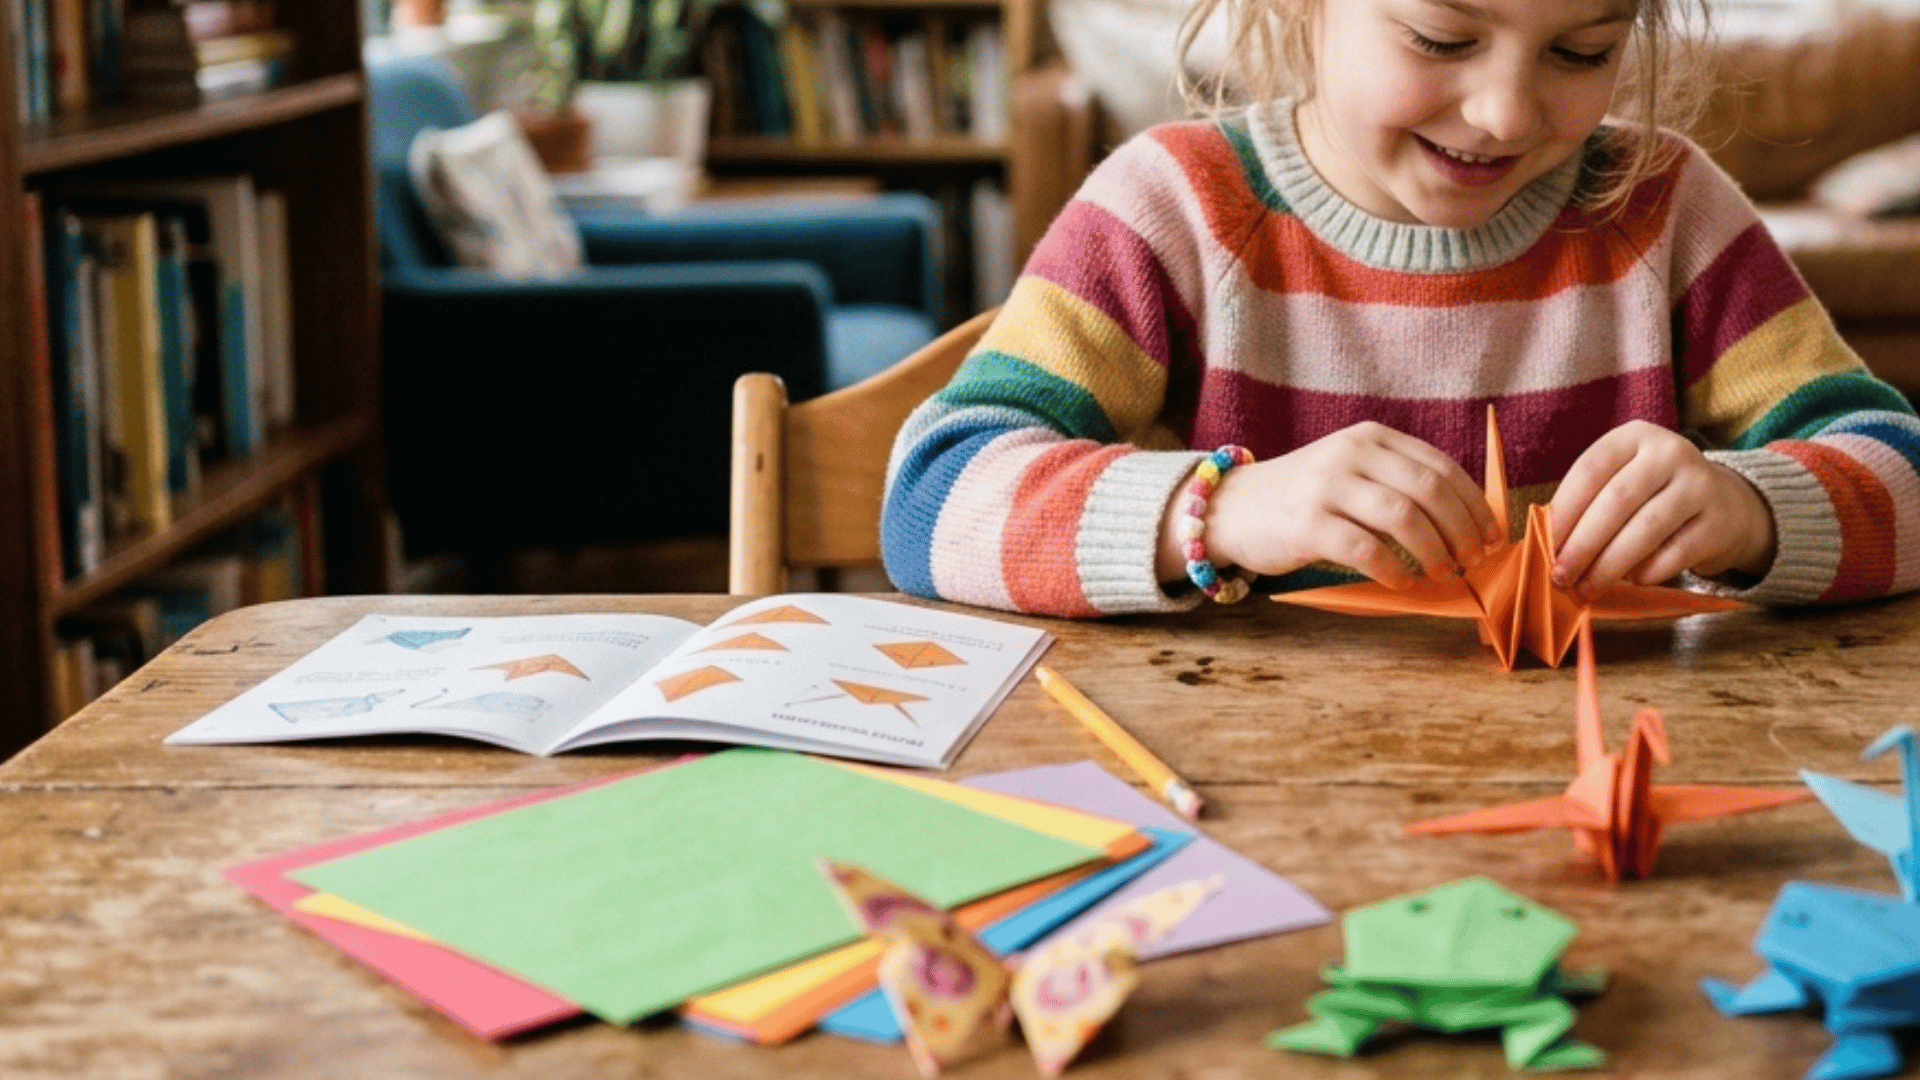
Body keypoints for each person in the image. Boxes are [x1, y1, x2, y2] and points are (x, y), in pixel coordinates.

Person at [880, 0, 1920, 617]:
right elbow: (932, 495)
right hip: (1252, 787)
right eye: (1439, 35)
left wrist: (1750, 510)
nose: (1508, 113)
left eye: (1581, 51)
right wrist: (1222, 512)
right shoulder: (1176, 209)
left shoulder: (1663, 212)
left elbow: (1896, 467)